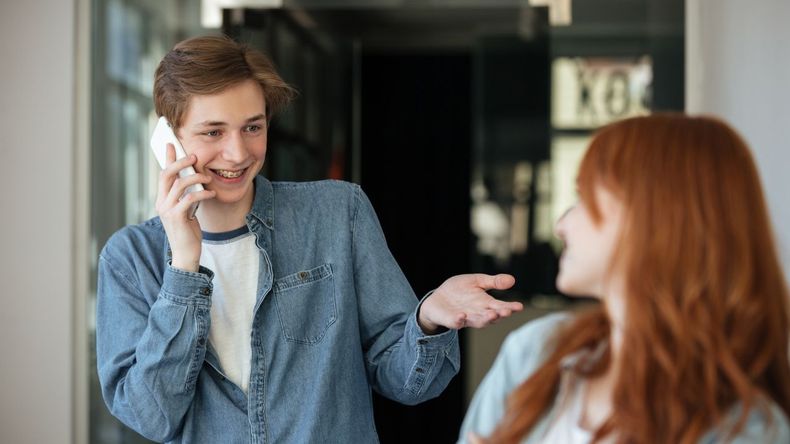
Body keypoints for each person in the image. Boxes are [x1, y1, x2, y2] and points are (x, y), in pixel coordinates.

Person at [96, 35, 523, 443]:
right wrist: (184, 267)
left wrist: (428, 318)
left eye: (252, 127)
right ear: (168, 138)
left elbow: (407, 384)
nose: (238, 153)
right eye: (213, 132)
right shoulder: (131, 258)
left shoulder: (337, 213)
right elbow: (149, 416)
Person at [459, 114, 790, 443]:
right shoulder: (534, 353)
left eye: (584, 197)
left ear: (653, 217)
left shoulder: (749, 428)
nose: (562, 225)